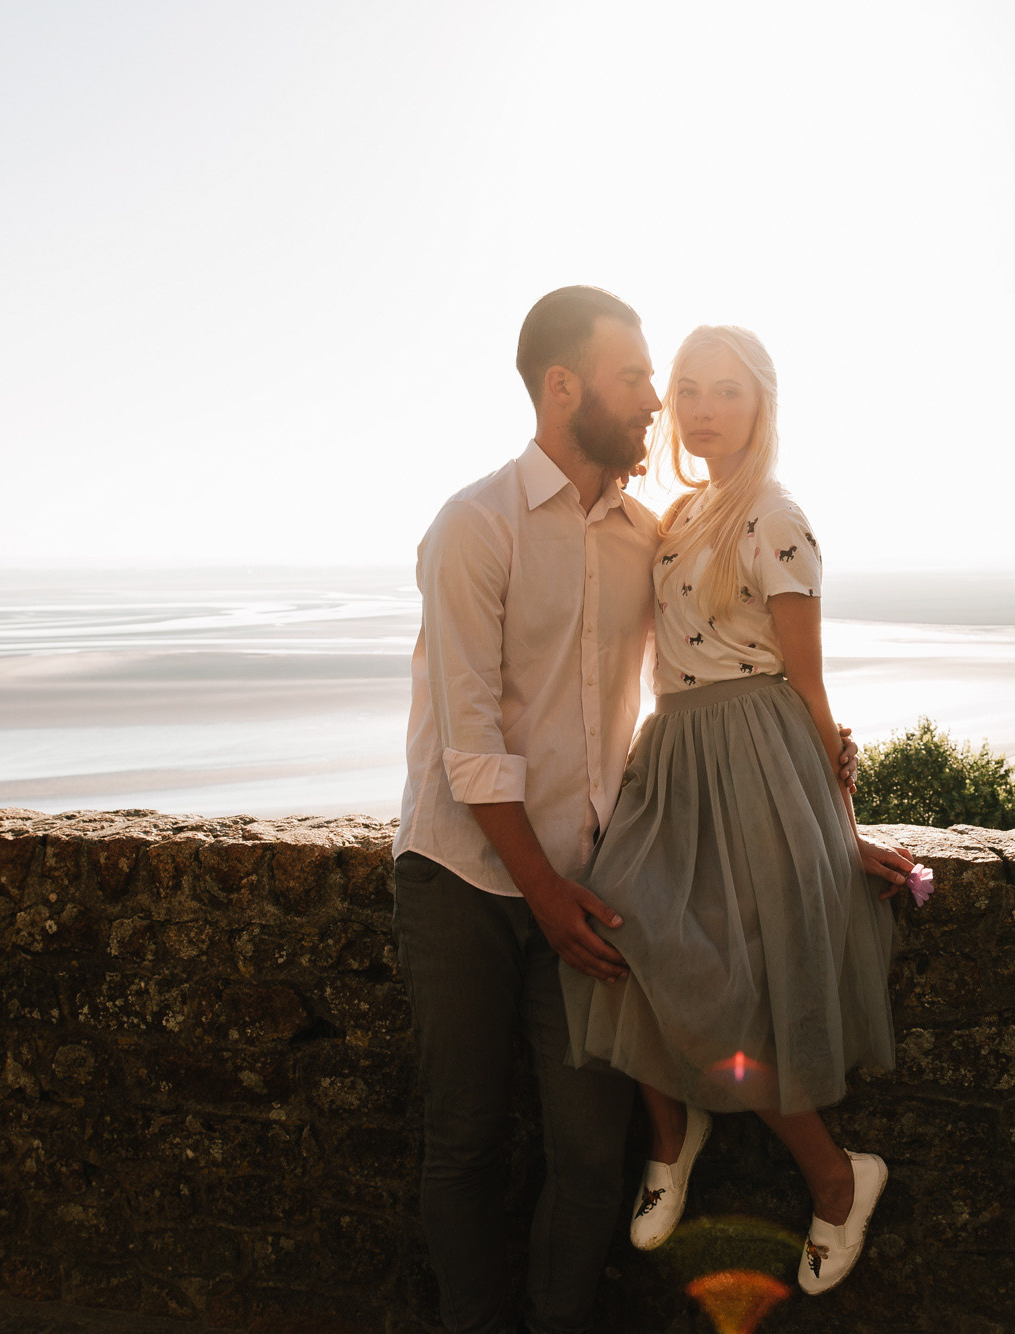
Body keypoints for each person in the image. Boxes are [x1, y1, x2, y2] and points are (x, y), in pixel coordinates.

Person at [559, 324, 915, 1296]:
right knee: (616, 923)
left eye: (726, 389)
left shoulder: (773, 515)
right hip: (672, 761)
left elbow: (807, 686)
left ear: (759, 404)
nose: (704, 406)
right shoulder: (680, 513)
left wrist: (842, 833)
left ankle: (838, 1180)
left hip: (755, 762)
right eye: (689, 389)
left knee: (743, 991)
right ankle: (673, 1135)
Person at [391, 285, 660, 1334]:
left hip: (581, 884)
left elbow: (709, 672)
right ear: (562, 387)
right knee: (464, 1139)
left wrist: (820, 763)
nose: (651, 401)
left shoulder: (649, 538)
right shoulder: (473, 526)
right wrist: (540, 891)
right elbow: (470, 745)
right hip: (461, 877)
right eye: (631, 377)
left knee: (593, 1151)